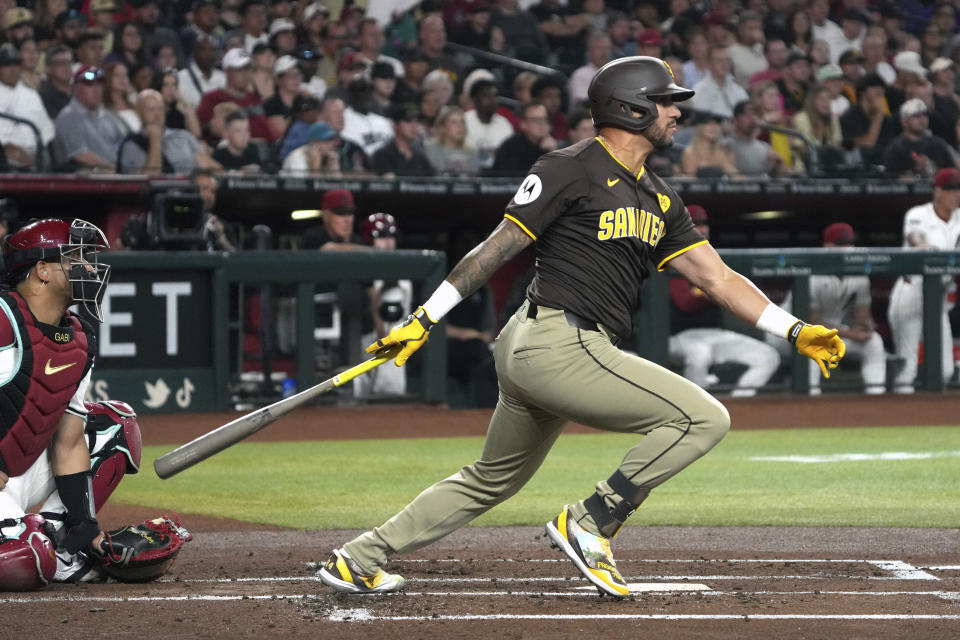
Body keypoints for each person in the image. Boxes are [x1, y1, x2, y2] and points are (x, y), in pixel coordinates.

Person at [317, 56, 845, 598]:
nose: (675, 113)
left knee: (492, 478)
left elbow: (717, 278)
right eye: (666, 102)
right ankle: (592, 521)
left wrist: (794, 329)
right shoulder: (570, 165)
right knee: (703, 418)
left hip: (543, 346)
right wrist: (425, 317)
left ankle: (359, 557)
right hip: (557, 341)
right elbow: (497, 246)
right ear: (631, 106)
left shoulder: (661, 198)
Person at [0, 218, 184, 589]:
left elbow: (68, 443)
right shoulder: (3, 319)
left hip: (15, 473)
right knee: (22, 562)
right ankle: (33, 543)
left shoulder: (78, 339)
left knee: (115, 426)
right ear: (42, 271)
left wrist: (87, 531)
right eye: (77, 258)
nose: (90, 268)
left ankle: (62, 547)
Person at [668, 205, 780, 397]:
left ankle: (738, 405)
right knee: (700, 354)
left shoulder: (715, 260)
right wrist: (719, 292)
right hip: (676, 337)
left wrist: (710, 294)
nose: (702, 229)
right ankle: (696, 410)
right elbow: (686, 302)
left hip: (714, 333)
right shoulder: (670, 255)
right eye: (695, 224)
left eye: (704, 224)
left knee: (768, 356)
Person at [779, 223, 887, 396]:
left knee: (874, 342)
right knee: (811, 343)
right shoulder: (812, 273)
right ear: (827, 246)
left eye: (849, 243)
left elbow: (862, 314)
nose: (848, 248)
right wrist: (852, 334)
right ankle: (809, 400)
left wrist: (865, 326)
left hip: (832, 332)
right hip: (790, 335)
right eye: (841, 243)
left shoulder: (858, 274)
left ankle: (876, 395)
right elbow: (811, 323)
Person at [888, 168, 960, 394]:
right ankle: (896, 423)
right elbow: (914, 235)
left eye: (959, 190)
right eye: (951, 190)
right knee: (907, 371)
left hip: (937, 299)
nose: (956, 194)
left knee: (945, 371)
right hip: (911, 293)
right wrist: (921, 245)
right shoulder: (918, 213)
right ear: (937, 191)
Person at [355, 212, 410, 398]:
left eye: (391, 236)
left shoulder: (405, 276)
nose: (388, 242)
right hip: (364, 339)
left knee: (392, 393)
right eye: (381, 237)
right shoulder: (359, 271)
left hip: (395, 343)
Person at [118, 89, 218, 174]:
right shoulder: (131, 144)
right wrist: (155, 141)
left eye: (160, 109)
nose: (157, 114)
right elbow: (147, 181)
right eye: (151, 109)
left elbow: (208, 164)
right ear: (139, 113)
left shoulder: (183, 136)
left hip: (193, 189)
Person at [53, 66, 127, 171]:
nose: (96, 90)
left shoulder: (108, 116)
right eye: (90, 85)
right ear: (75, 88)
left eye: (99, 85)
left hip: (118, 174)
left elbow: (125, 145)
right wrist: (114, 169)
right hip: (89, 179)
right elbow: (81, 156)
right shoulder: (69, 117)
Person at [0, 43, 54, 169]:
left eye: (16, 64)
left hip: (36, 156)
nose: (12, 69)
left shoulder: (31, 94)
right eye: (6, 65)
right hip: (4, 158)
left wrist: (37, 154)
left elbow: (47, 131)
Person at [882, 98, 958, 178]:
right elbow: (887, 177)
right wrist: (903, 178)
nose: (922, 119)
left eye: (924, 114)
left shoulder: (938, 144)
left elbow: (953, 174)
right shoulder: (895, 148)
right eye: (916, 116)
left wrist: (933, 169)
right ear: (904, 122)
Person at [488, 102, 556, 176]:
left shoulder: (552, 145)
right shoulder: (510, 148)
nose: (541, 124)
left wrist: (553, 153)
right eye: (535, 120)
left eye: (544, 119)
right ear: (523, 124)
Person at [370, 102, 434, 178]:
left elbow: (434, 182)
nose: (414, 125)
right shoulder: (383, 155)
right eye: (408, 121)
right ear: (395, 125)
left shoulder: (420, 157)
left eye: (416, 121)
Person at [463, 78, 513, 172]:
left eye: (494, 96)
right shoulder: (464, 120)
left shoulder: (504, 124)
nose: (491, 100)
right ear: (475, 99)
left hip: (499, 175)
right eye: (486, 96)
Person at [690, 45, 750, 119]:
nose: (724, 64)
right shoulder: (699, 90)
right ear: (709, 64)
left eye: (727, 60)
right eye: (719, 60)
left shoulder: (737, 88)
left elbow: (747, 112)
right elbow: (701, 119)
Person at [424, 105, 478, 177]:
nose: (460, 126)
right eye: (453, 122)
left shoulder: (471, 151)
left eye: (462, 122)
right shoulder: (430, 150)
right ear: (443, 127)